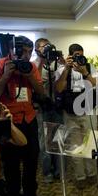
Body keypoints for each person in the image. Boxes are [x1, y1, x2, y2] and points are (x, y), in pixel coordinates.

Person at [0, 36, 46, 196]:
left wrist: (30, 76)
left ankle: (30, 194)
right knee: (11, 163)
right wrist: (6, 75)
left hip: (29, 119)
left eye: (30, 52)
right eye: (23, 52)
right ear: (12, 51)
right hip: (8, 121)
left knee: (32, 159)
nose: (27, 56)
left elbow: (41, 92)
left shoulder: (32, 67)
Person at [54, 43, 98, 186]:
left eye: (81, 54)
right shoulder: (62, 69)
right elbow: (59, 88)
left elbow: (96, 85)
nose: (79, 58)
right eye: (76, 56)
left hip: (87, 112)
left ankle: (91, 173)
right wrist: (66, 69)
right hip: (70, 113)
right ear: (70, 56)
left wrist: (85, 72)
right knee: (75, 147)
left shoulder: (89, 67)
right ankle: (80, 177)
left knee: (90, 145)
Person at [34, 38, 63, 183]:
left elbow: (67, 73)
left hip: (57, 107)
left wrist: (61, 57)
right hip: (43, 108)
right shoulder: (35, 64)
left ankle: (59, 170)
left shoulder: (55, 62)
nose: (46, 49)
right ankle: (47, 172)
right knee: (45, 142)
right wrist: (41, 59)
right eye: (42, 47)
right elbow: (35, 80)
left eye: (48, 46)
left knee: (58, 139)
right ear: (36, 50)